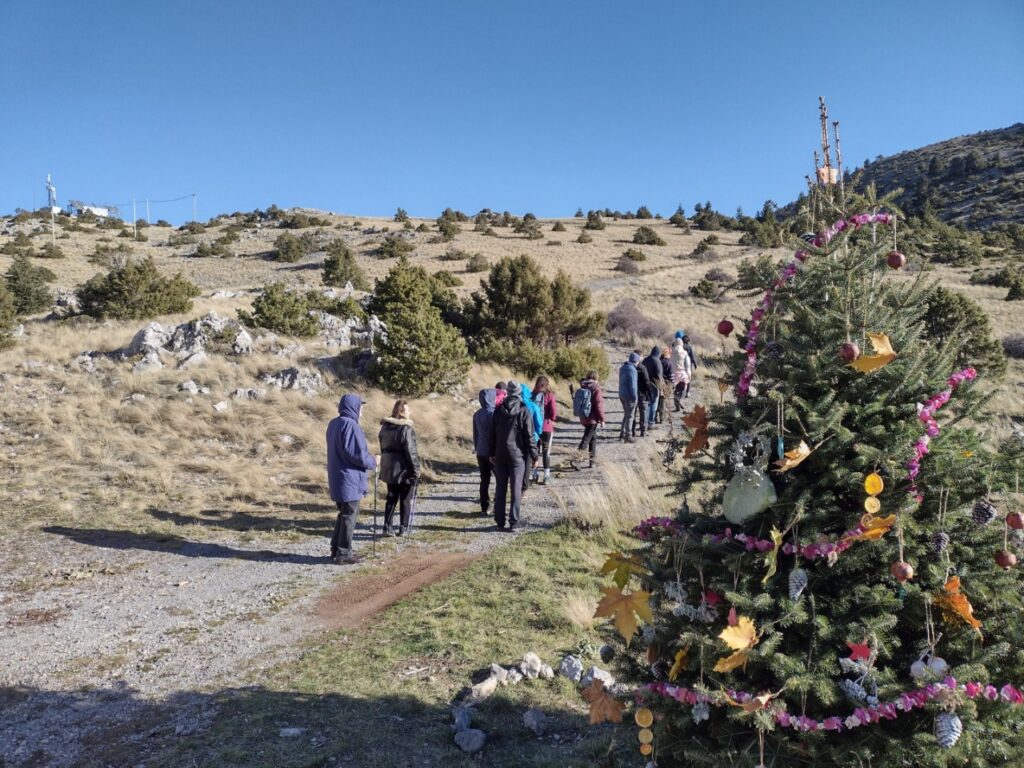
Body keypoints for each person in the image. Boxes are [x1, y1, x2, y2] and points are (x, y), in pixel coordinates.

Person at [326, 393, 377, 564]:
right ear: (353, 407)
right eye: (360, 406)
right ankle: (343, 553)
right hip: (349, 478)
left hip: (338, 477)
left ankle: (336, 548)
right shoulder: (351, 426)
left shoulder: (334, 423)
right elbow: (357, 454)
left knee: (343, 513)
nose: (362, 410)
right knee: (349, 515)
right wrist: (373, 461)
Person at [489, 381, 539, 531]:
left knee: (500, 488)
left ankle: (499, 522)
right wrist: (535, 456)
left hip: (500, 454)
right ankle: (514, 522)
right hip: (517, 456)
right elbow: (530, 436)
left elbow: (492, 435)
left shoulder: (498, 410)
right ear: (518, 393)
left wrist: (492, 453)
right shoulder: (524, 410)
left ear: (507, 392)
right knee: (516, 489)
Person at [378, 399, 421, 536]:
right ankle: (404, 527)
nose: (410, 412)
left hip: (388, 466)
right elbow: (411, 451)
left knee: (391, 497)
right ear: (402, 412)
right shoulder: (406, 428)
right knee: (406, 498)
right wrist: (415, 469)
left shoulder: (385, 427)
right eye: (408, 410)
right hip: (403, 467)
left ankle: (387, 526)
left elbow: (382, 446)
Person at [472, 388, 498, 516]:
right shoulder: (495, 413)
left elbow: (475, 434)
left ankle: (484, 506)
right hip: (493, 452)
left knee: (484, 479)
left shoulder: (477, 414)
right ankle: (497, 503)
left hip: (480, 451)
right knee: (500, 478)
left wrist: (477, 447)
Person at [572, 370, 605, 468]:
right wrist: (602, 419)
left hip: (583, 416)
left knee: (593, 438)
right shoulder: (595, 388)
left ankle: (592, 461)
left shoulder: (583, 385)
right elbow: (599, 404)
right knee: (586, 439)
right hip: (592, 418)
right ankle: (576, 460)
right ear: (596, 378)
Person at [531, 375, 557, 485]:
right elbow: (554, 413)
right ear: (547, 384)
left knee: (534, 452)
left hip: (534, 428)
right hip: (546, 427)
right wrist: (551, 419)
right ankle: (546, 476)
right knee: (546, 452)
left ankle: (534, 475)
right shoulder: (550, 395)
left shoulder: (532, 395)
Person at [618, 352, 640, 443]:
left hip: (622, 394)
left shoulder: (623, 368)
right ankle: (628, 435)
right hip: (629, 395)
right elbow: (633, 386)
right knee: (630, 416)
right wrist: (635, 397)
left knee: (626, 414)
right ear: (636, 361)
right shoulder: (632, 370)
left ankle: (622, 434)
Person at [641, 346, 663, 429]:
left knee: (647, 404)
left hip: (645, 385)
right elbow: (659, 375)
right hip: (654, 385)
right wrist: (661, 387)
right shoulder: (657, 361)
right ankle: (651, 423)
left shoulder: (645, 360)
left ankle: (645, 422)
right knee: (653, 403)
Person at [671, 334, 693, 411]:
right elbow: (687, 365)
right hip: (682, 373)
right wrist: (689, 374)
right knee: (683, 388)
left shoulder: (670, 352)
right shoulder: (684, 353)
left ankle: (677, 407)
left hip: (673, 374)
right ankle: (680, 399)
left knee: (675, 390)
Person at [633, 349, 652, 437]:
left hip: (632, 392)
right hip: (642, 393)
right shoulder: (642, 368)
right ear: (639, 357)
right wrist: (649, 393)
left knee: (633, 412)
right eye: (641, 356)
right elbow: (647, 381)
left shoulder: (630, 367)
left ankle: (632, 430)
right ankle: (643, 431)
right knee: (643, 412)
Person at [656, 347, 673, 424]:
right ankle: (662, 418)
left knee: (656, 401)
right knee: (663, 402)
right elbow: (671, 376)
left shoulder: (658, 361)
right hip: (666, 384)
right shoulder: (669, 363)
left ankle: (655, 417)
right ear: (668, 354)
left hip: (657, 383)